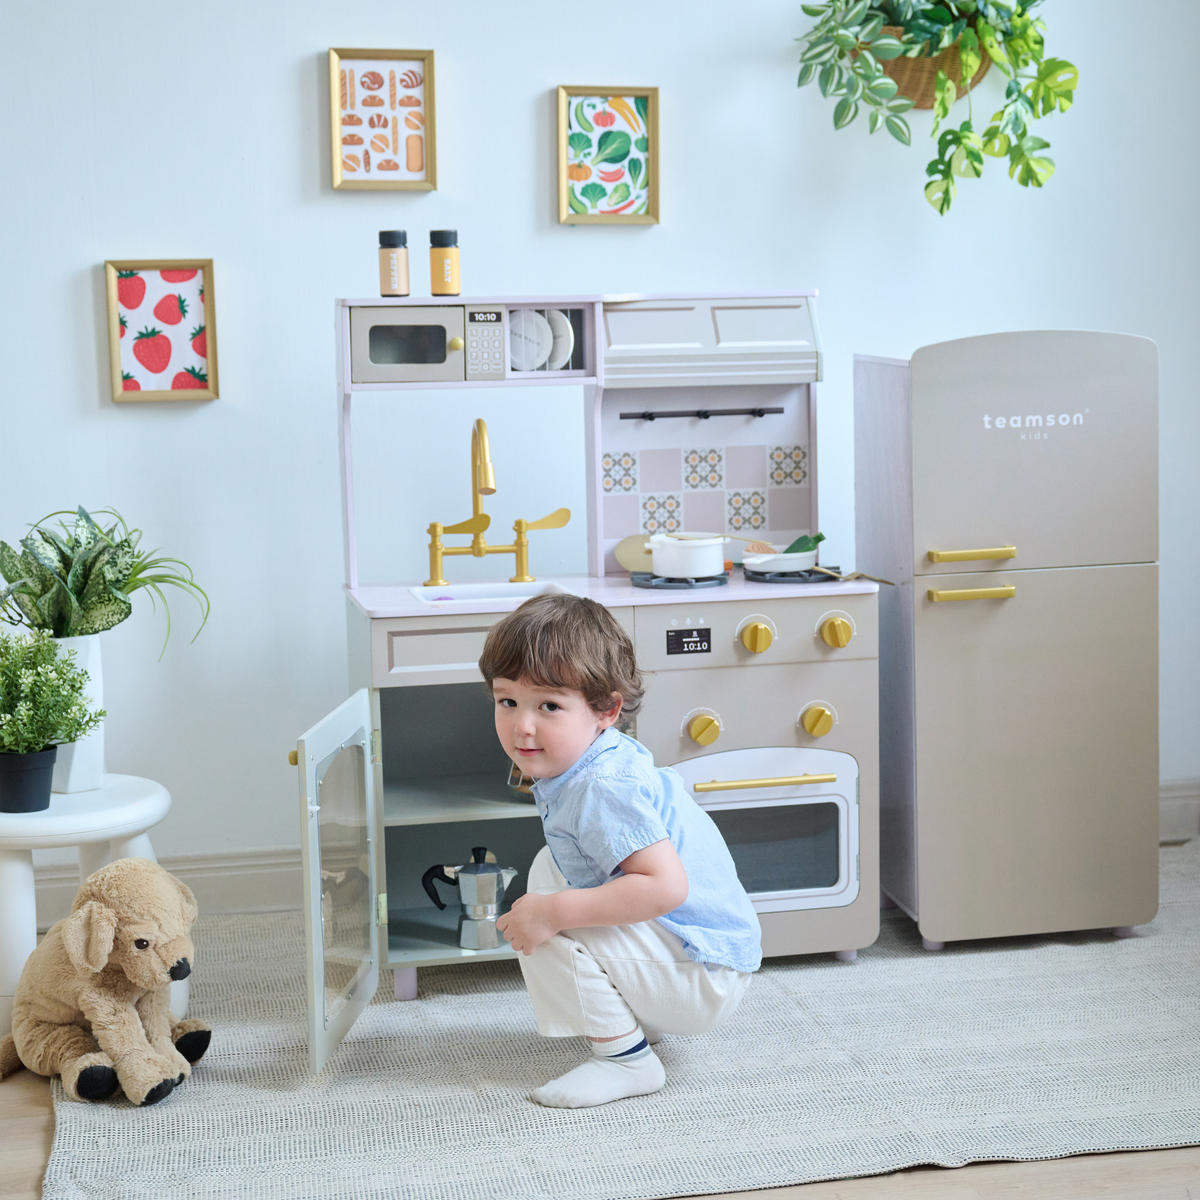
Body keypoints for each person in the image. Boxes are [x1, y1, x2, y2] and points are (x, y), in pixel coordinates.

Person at [478, 592, 761, 1108]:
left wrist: (551, 913)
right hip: (703, 956)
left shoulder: (602, 787)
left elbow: (664, 886)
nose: (523, 725)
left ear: (606, 709)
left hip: (703, 973)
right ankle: (634, 1021)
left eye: (549, 706)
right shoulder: (592, 761)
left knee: (541, 917)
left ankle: (626, 1061)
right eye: (507, 701)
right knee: (550, 871)